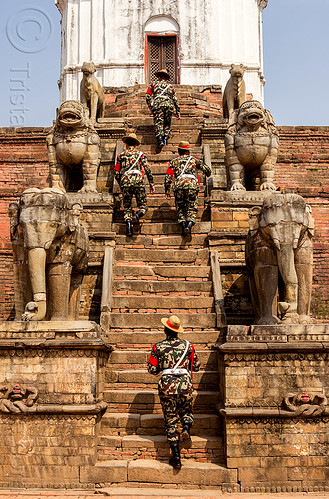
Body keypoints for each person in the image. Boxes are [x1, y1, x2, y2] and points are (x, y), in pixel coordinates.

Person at [147, 315, 201, 469]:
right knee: (186, 410)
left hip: (166, 386)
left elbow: (152, 369)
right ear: (177, 331)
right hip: (185, 384)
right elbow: (196, 366)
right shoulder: (188, 346)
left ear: (165, 330)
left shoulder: (157, 347)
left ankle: (176, 457)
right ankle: (185, 427)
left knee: (170, 419)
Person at [164, 141, 212, 237]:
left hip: (179, 186)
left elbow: (168, 176)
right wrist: (208, 174)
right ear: (187, 151)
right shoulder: (194, 160)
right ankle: (189, 225)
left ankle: (183, 225)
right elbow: (207, 169)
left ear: (179, 151)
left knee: (180, 207)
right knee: (192, 207)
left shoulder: (174, 162)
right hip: (192, 185)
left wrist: (167, 190)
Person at [114, 133, 155, 236]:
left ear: (126, 144)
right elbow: (147, 170)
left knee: (127, 206)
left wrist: (121, 183)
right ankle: (137, 215)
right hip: (138, 181)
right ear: (135, 144)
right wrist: (151, 184)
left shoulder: (121, 156)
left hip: (125, 181)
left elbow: (116, 172)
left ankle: (128, 229)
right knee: (143, 206)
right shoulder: (141, 155)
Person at [146, 69, 180, 149]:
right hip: (169, 105)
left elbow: (148, 96)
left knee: (159, 122)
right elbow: (175, 99)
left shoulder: (153, 85)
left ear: (159, 77)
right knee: (167, 123)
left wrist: (151, 107)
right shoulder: (171, 87)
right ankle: (165, 140)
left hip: (158, 105)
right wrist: (177, 111)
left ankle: (160, 140)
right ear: (166, 78)